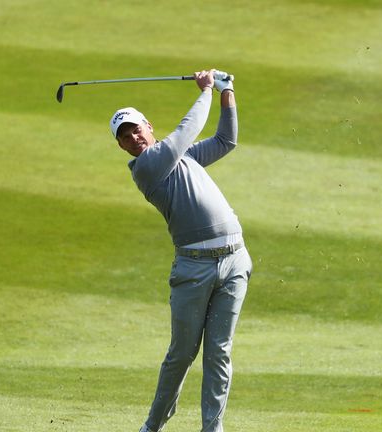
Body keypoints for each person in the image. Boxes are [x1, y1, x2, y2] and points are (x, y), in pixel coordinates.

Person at [110, 69, 252, 432]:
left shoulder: (182, 158)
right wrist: (205, 90)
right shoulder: (148, 167)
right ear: (123, 147)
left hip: (234, 259)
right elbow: (185, 131)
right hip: (194, 269)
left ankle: (212, 428)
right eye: (125, 137)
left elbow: (226, 141)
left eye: (136, 128)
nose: (133, 137)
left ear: (148, 125)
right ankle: (153, 425)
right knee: (182, 354)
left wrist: (226, 91)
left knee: (219, 351)